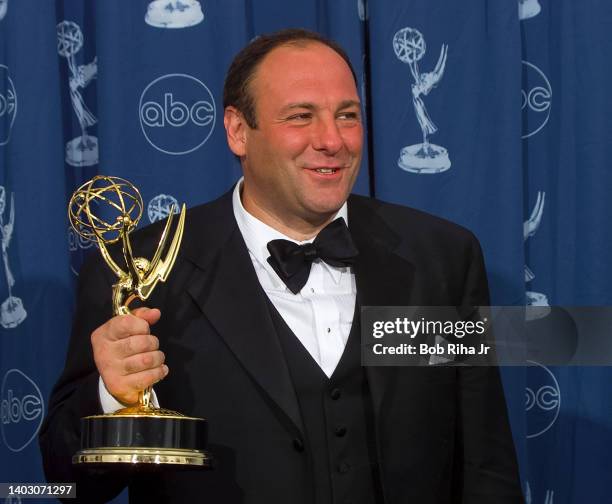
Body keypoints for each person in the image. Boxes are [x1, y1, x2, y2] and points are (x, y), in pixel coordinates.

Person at [40, 29, 523, 503]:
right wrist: (112, 398)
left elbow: (485, 463)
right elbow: (69, 483)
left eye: (347, 115)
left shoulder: (441, 257)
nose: (332, 140)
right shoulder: (142, 271)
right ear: (237, 130)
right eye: (301, 116)